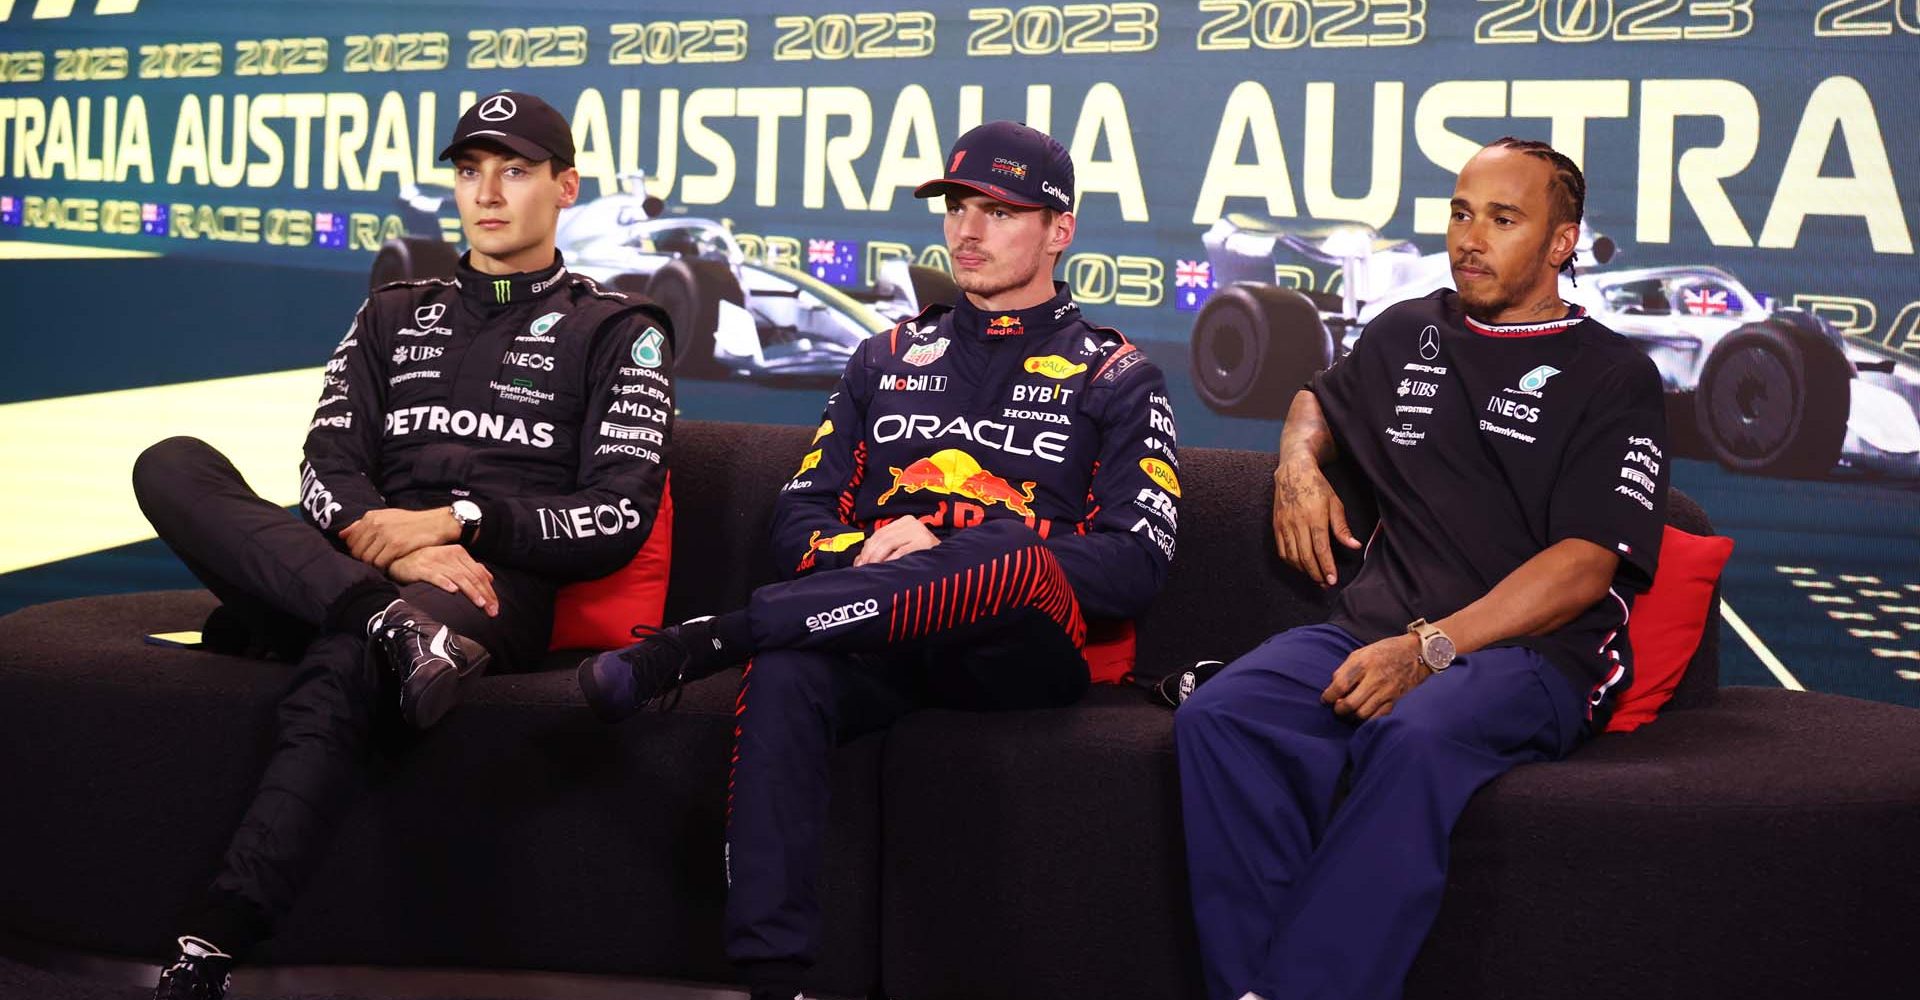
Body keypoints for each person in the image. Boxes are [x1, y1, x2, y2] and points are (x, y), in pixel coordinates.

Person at [578, 121, 1180, 1000]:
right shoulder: (885, 358)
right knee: (787, 670)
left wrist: (958, 546)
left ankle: (710, 639)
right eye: (958, 207)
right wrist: (869, 547)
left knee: (1002, 553)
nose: (968, 232)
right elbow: (799, 521)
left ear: (1060, 230)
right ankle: (773, 977)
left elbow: (1135, 564)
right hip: (877, 638)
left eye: (1000, 211)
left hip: (1019, 653)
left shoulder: (1117, 376)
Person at [137, 91, 673, 999]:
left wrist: (456, 524)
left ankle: (214, 942)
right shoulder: (389, 311)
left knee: (343, 661)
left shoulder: (621, 330)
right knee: (171, 463)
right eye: (469, 171)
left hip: (489, 589)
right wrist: (385, 556)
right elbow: (324, 469)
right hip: (362, 569)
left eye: (515, 170)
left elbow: (617, 517)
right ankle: (378, 620)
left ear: (566, 186)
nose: (487, 193)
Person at [1175, 138, 1671, 1000]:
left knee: (1412, 734)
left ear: (1561, 244)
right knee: (1223, 716)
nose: (1470, 238)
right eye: (1460, 212)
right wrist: (1296, 466)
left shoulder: (1615, 375)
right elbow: (1315, 401)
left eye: (1504, 219)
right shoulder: (1411, 329)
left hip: (1535, 656)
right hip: (1375, 624)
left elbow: (1585, 568)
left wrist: (1430, 649)